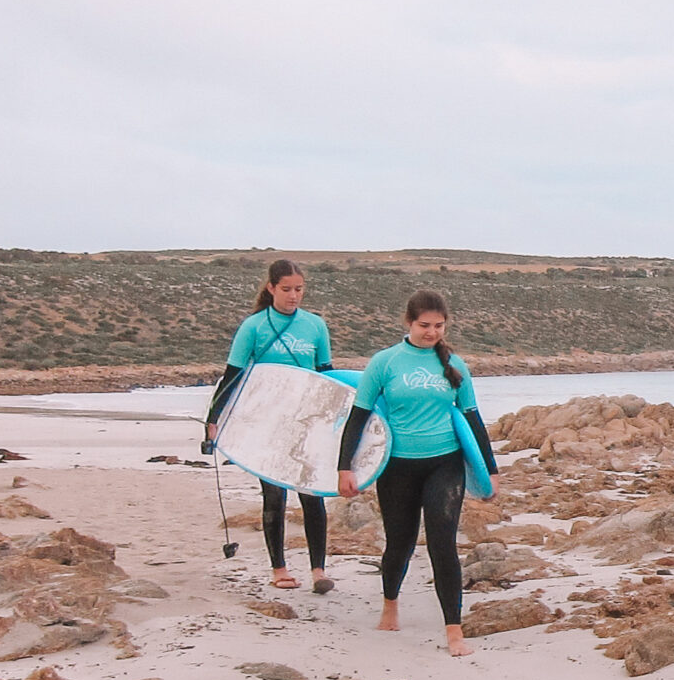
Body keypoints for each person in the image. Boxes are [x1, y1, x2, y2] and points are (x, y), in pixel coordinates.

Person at [336, 291, 496, 658]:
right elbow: (358, 417)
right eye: (424, 325)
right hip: (397, 466)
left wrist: (490, 470)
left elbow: (472, 419)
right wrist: (345, 468)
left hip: (445, 462)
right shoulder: (385, 362)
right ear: (408, 323)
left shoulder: (454, 364)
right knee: (400, 543)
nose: (432, 333)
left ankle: (454, 631)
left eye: (439, 326)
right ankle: (390, 604)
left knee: (443, 544)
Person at [203, 259, 336, 594]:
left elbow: (327, 377)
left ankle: (319, 570)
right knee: (274, 496)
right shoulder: (254, 327)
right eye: (287, 289)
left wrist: (338, 423)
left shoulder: (315, 326)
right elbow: (231, 376)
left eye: (299, 289)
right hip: (267, 423)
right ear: (271, 288)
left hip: (306, 420)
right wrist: (212, 421)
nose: (294, 296)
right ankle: (279, 569)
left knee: (312, 493)